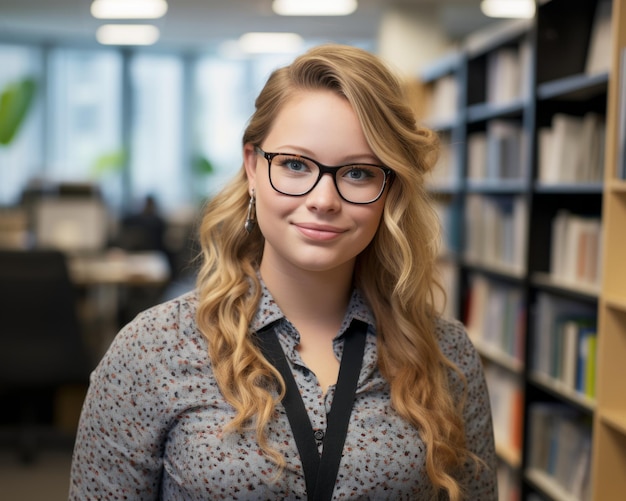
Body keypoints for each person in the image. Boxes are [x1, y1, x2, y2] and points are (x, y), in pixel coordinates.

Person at [69, 44, 497, 500]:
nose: (324, 200)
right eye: (295, 165)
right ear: (252, 166)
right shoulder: (153, 349)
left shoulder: (445, 354)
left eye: (358, 173)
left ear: (389, 189)